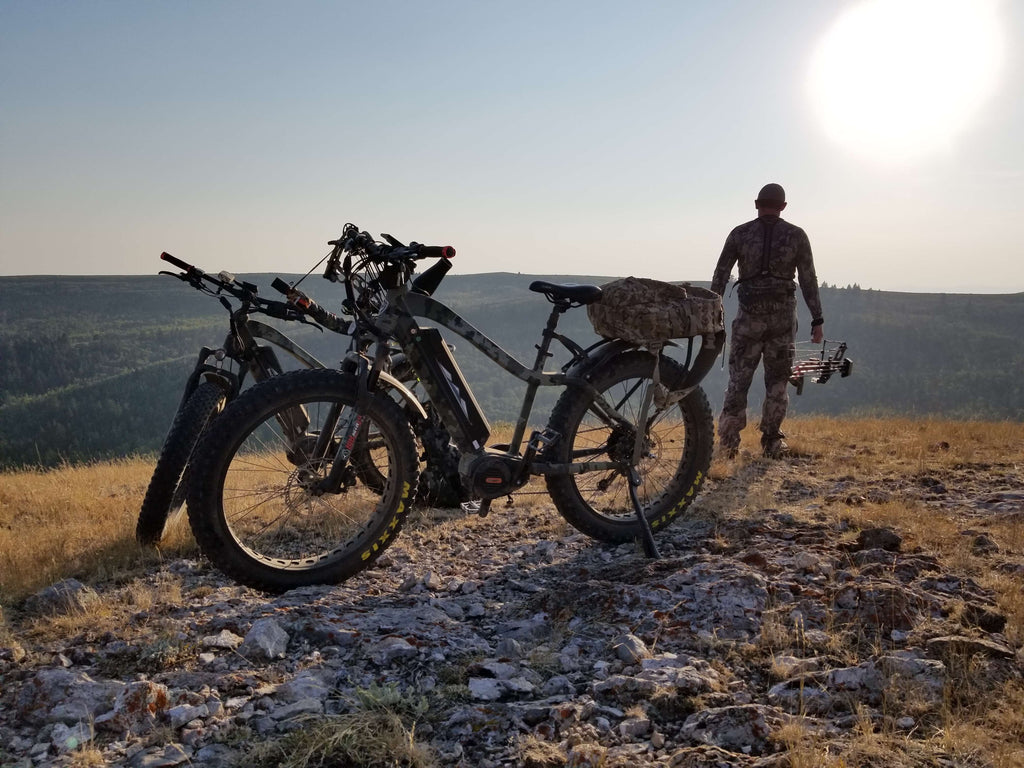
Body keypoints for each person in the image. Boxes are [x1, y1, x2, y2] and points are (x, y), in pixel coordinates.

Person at [710, 183, 824, 459]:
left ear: (756, 204)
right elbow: (808, 279)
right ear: (783, 207)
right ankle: (772, 441)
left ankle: (728, 443)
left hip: (748, 319)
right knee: (778, 382)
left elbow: (721, 274)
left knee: (739, 380)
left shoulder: (740, 234)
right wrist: (817, 319)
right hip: (783, 321)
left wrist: (712, 314)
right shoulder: (796, 236)